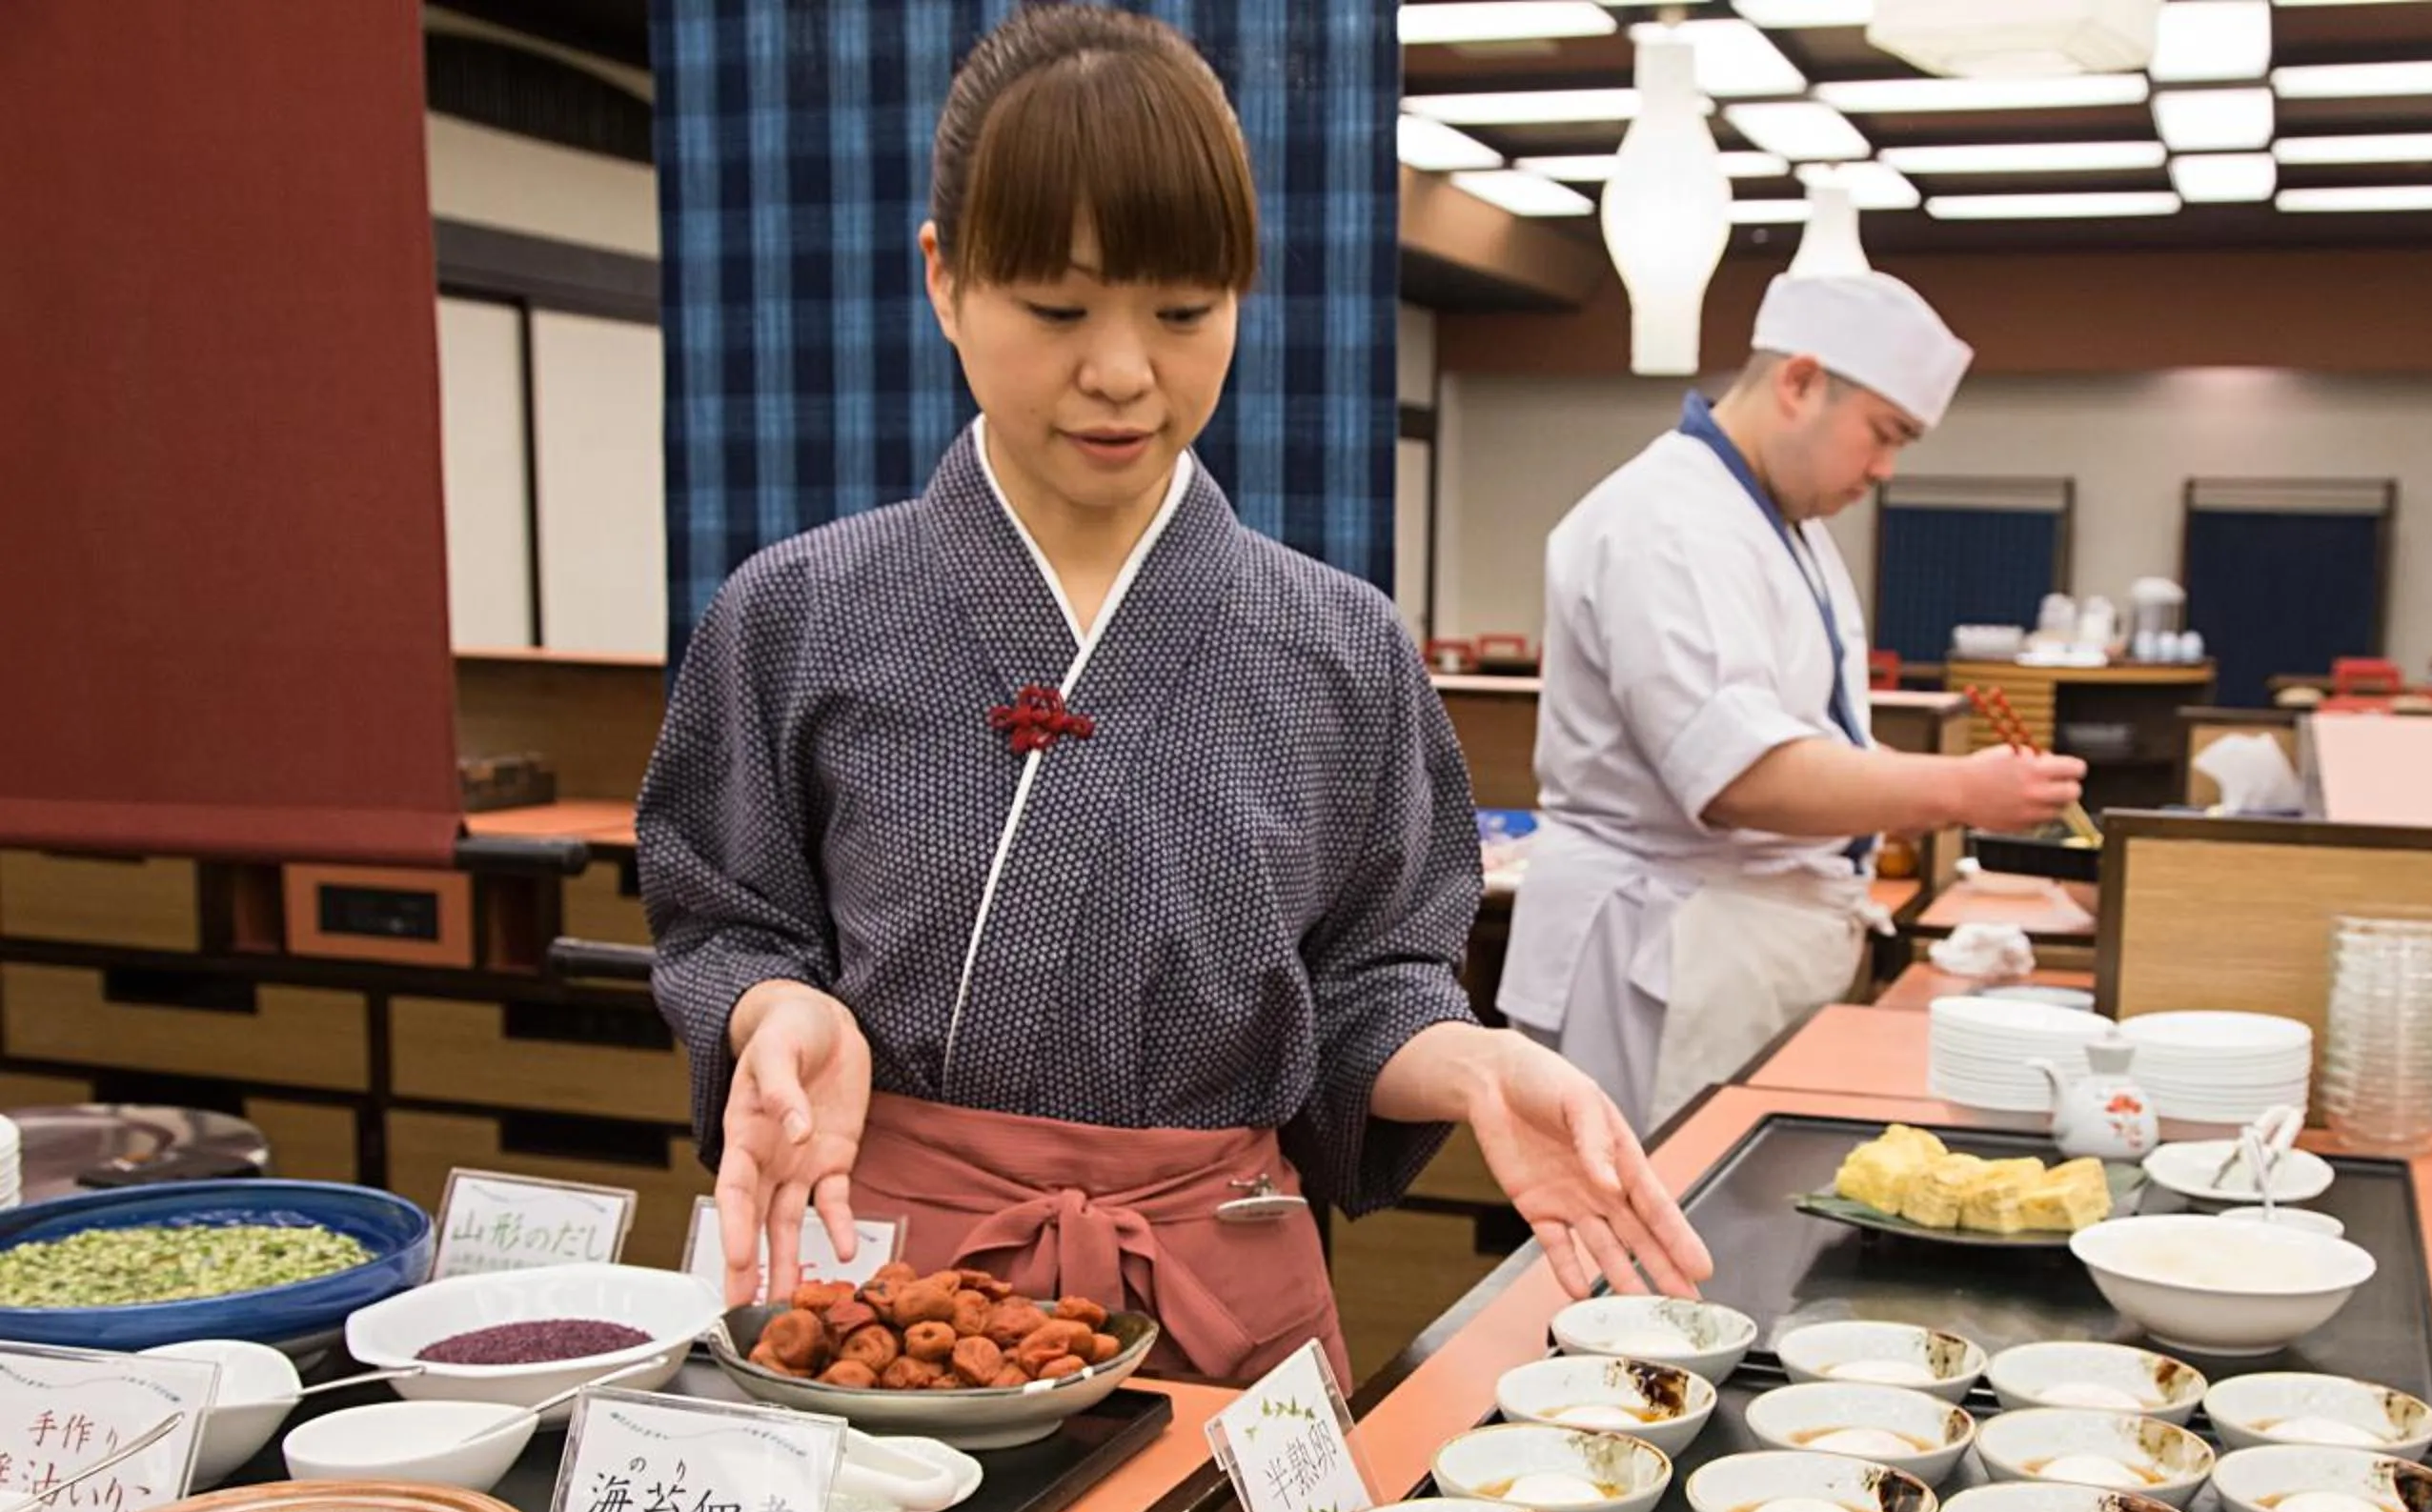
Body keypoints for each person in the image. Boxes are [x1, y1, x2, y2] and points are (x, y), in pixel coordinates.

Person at [638, 5, 1708, 1384]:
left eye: (1185, 311)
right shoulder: (796, 616)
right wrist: (777, 1013)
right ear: (945, 280)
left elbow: (1372, 984)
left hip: (1213, 1302)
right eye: (1058, 308)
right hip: (887, 1307)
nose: (1124, 371)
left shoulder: (1341, 646)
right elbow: (726, 920)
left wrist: (1472, 1062)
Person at [1501, 272, 2088, 1133]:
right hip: (1663, 944)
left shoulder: (1783, 525)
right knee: (1643, 1242)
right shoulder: (1669, 519)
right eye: (1883, 435)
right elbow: (1742, 775)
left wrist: (1939, 787)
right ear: (1800, 382)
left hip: (1734, 938)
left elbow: (1809, 735)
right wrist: (1962, 791)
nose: (1886, 470)